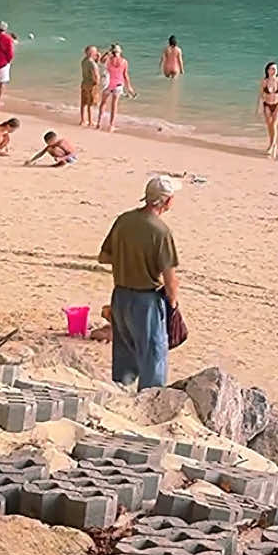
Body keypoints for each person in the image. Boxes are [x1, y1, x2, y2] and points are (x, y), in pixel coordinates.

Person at [97, 174, 181, 389]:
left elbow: (104, 257)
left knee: (124, 354)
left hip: (121, 296)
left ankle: (120, 396)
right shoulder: (160, 232)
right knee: (153, 356)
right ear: (168, 201)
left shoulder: (124, 220)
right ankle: (147, 402)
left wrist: (129, 258)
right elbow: (170, 281)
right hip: (146, 301)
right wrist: (172, 304)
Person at [98, 44, 134, 131]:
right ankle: (111, 125)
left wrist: (107, 53)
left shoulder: (109, 60)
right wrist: (129, 87)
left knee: (103, 103)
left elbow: (101, 61)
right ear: (120, 51)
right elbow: (125, 75)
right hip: (118, 84)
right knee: (114, 105)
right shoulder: (124, 61)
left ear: (112, 51)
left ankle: (99, 123)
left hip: (108, 84)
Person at [258, 61, 278, 158]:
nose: (274, 70)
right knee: (269, 126)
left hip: (277, 105)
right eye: (272, 68)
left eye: (275, 68)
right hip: (267, 105)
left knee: (274, 124)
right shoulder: (264, 82)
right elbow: (261, 95)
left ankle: (272, 145)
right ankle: (272, 143)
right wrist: (259, 107)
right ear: (268, 70)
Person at [0, 23, 16, 105]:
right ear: (5, 29)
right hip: (3, 64)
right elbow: (10, 53)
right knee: (2, 82)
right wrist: (9, 61)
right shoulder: (8, 39)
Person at [80, 46, 100, 125]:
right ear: (91, 53)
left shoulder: (84, 61)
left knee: (83, 103)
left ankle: (82, 120)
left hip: (84, 83)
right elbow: (96, 74)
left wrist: (97, 58)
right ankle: (90, 121)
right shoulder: (92, 63)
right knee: (90, 104)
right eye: (95, 52)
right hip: (91, 84)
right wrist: (97, 83)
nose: (96, 53)